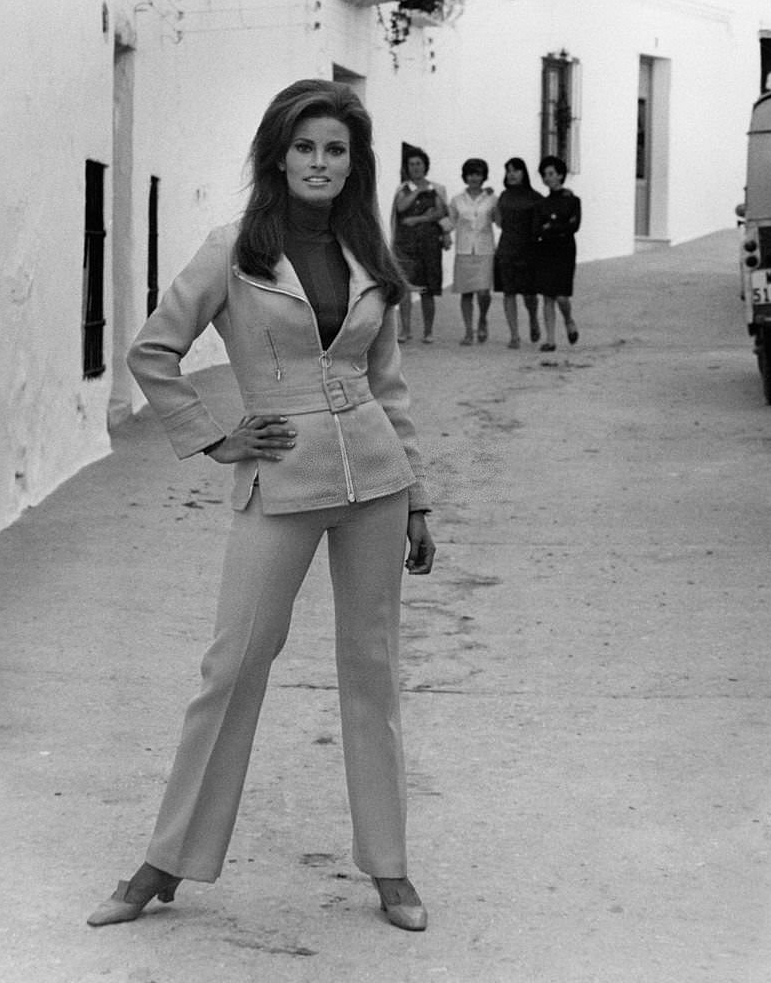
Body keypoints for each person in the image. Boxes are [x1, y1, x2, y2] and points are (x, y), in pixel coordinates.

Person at [87, 80, 435, 934]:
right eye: (307, 147)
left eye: (337, 150)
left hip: (376, 487)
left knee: (373, 669)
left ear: (354, 165)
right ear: (279, 154)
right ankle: (163, 862)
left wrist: (419, 498)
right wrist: (217, 438)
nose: (321, 163)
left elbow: (387, 386)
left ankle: (389, 868)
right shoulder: (232, 249)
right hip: (277, 483)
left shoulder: (369, 255)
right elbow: (152, 350)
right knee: (234, 663)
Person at [391, 147, 451, 344]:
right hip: (406, 245)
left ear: (425, 165)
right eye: (411, 164)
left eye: (418, 164)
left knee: (427, 289)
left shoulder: (438, 189)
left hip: (429, 245)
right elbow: (401, 208)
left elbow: (442, 213)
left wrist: (418, 219)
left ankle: (428, 331)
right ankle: (405, 330)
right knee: (406, 288)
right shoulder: (404, 189)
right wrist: (418, 193)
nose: (415, 167)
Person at [447, 158, 497, 345]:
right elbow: (450, 222)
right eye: (470, 174)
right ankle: (469, 331)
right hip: (464, 249)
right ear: (465, 176)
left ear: (483, 176)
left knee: (483, 292)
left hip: (484, 249)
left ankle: (482, 320)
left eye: (477, 174)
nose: (474, 178)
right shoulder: (457, 200)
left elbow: (498, 220)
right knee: (466, 293)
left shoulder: (492, 198)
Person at [494, 157, 542, 348]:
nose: (511, 174)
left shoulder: (535, 197)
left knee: (529, 294)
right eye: (508, 171)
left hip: (528, 248)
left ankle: (533, 319)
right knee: (509, 292)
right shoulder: (503, 196)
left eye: (515, 170)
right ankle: (514, 335)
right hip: (507, 247)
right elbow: (498, 221)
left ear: (524, 173)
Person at [536, 155, 581, 351]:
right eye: (545, 175)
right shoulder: (542, 203)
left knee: (562, 296)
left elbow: (574, 225)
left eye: (551, 173)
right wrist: (557, 226)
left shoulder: (573, 200)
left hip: (565, 250)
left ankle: (569, 320)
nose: (547, 178)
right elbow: (538, 228)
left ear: (560, 175)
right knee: (547, 296)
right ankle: (550, 339)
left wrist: (551, 225)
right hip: (546, 250)